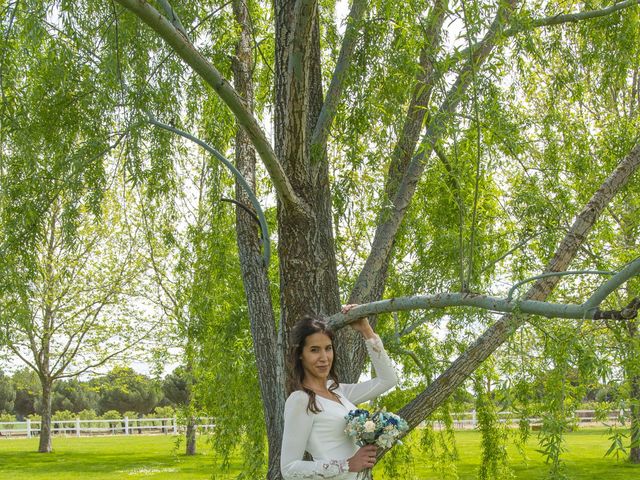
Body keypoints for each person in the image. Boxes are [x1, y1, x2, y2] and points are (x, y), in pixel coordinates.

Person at [280, 308, 398, 479]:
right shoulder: (301, 400)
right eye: (314, 350)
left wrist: (366, 330)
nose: (324, 357)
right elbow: (289, 469)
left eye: (328, 348)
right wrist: (346, 465)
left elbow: (387, 380)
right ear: (300, 355)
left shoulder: (338, 391)